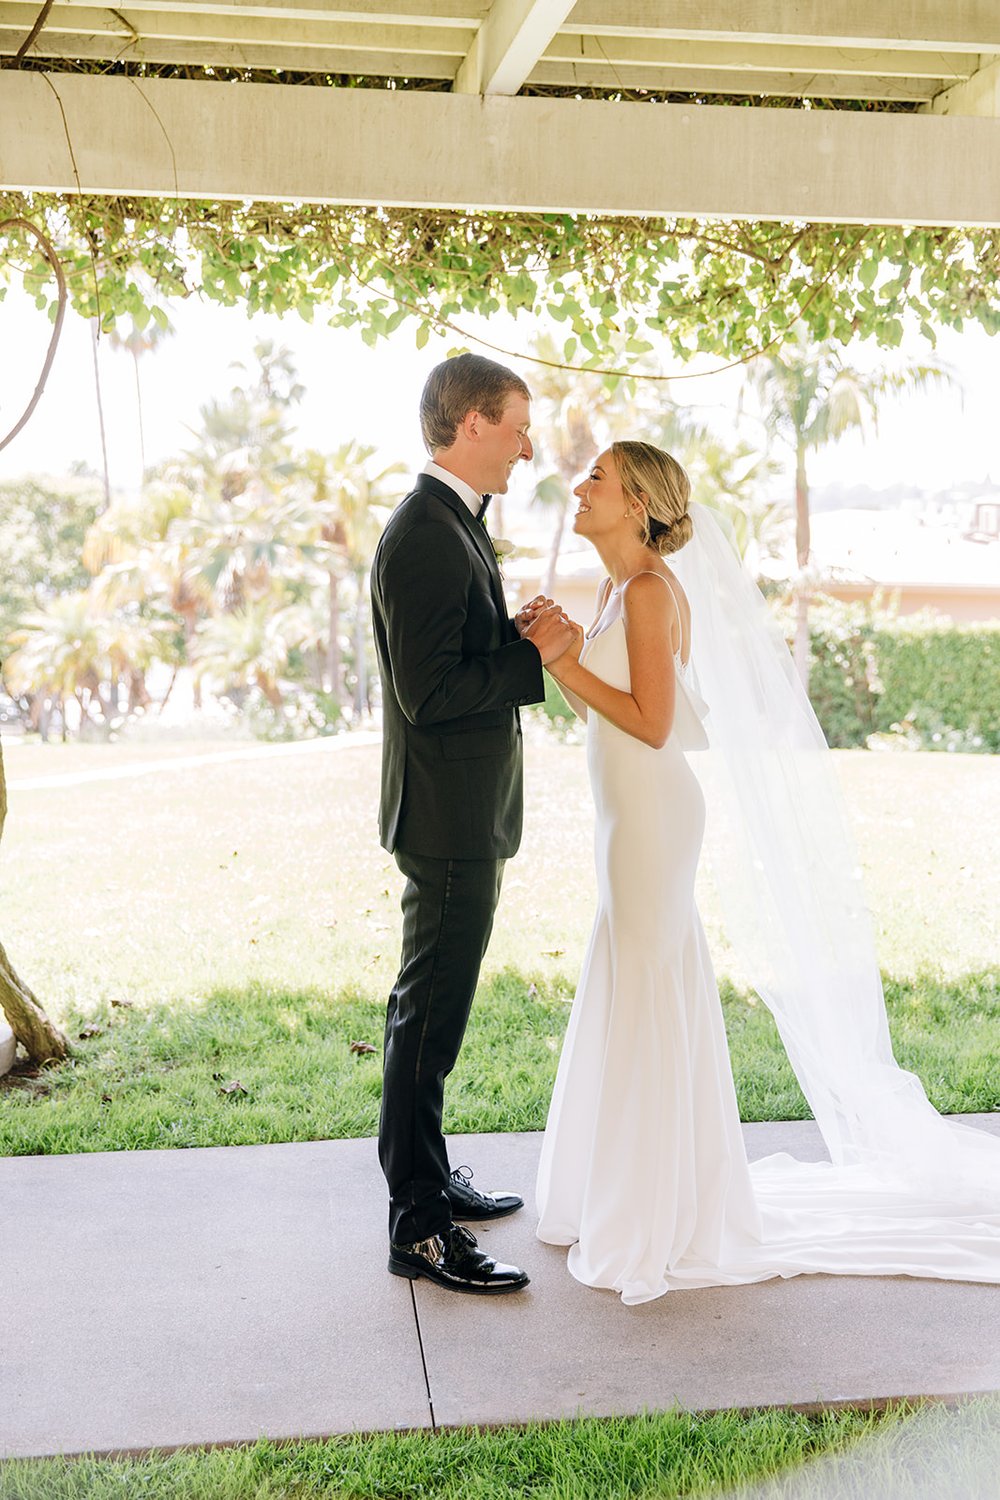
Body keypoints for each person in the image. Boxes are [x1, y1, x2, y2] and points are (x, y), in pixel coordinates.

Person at [534, 439, 1000, 1304]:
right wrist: (565, 650)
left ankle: (654, 1217)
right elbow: (614, 709)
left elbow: (651, 721)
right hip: (624, 819)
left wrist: (562, 661)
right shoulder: (610, 590)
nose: (580, 484)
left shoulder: (643, 591)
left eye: (597, 475)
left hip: (652, 820)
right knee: (636, 983)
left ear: (638, 502)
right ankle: (633, 1191)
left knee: (646, 987)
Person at [370, 353, 574, 1296]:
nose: (529, 445)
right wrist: (528, 658)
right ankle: (416, 1221)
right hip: (446, 818)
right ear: (472, 424)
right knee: (427, 1012)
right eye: (518, 425)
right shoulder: (424, 533)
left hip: (461, 809)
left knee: (437, 1009)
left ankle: (429, 1177)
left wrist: (505, 632)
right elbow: (430, 690)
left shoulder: (456, 524)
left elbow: (454, 656)